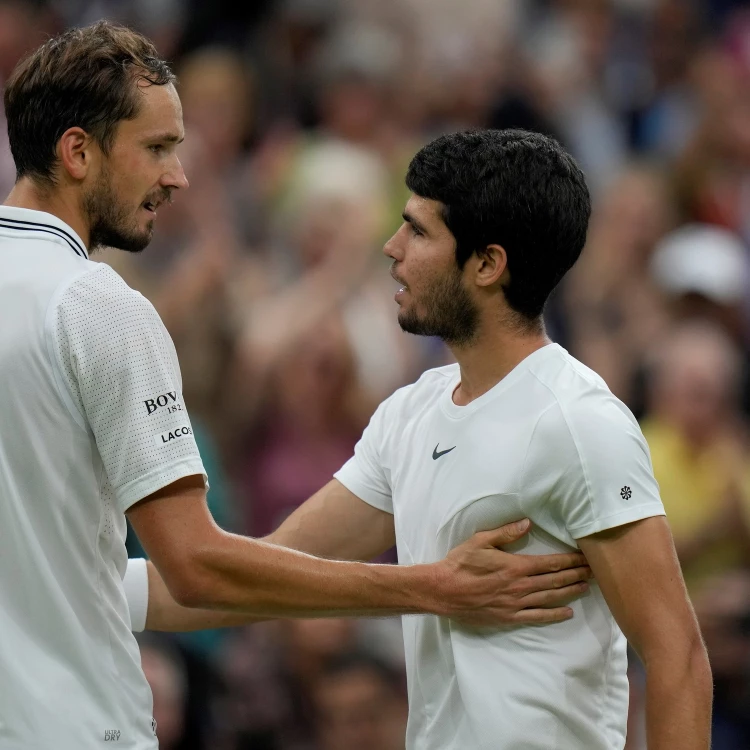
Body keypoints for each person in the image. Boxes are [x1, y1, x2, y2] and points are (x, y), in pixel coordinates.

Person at [0, 22, 592, 750]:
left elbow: (84, 574)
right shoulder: (101, 307)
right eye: (157, 148)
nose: (177, 176)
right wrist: (429, 585)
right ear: (78, 151)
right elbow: (197, 566)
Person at [132, 129, 713, 749]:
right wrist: (70, 590)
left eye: (418, 231)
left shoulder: (581, 422)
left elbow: (676, 658)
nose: (392, 247)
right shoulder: (409, 415)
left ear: (487, 265)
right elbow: (263, 576)